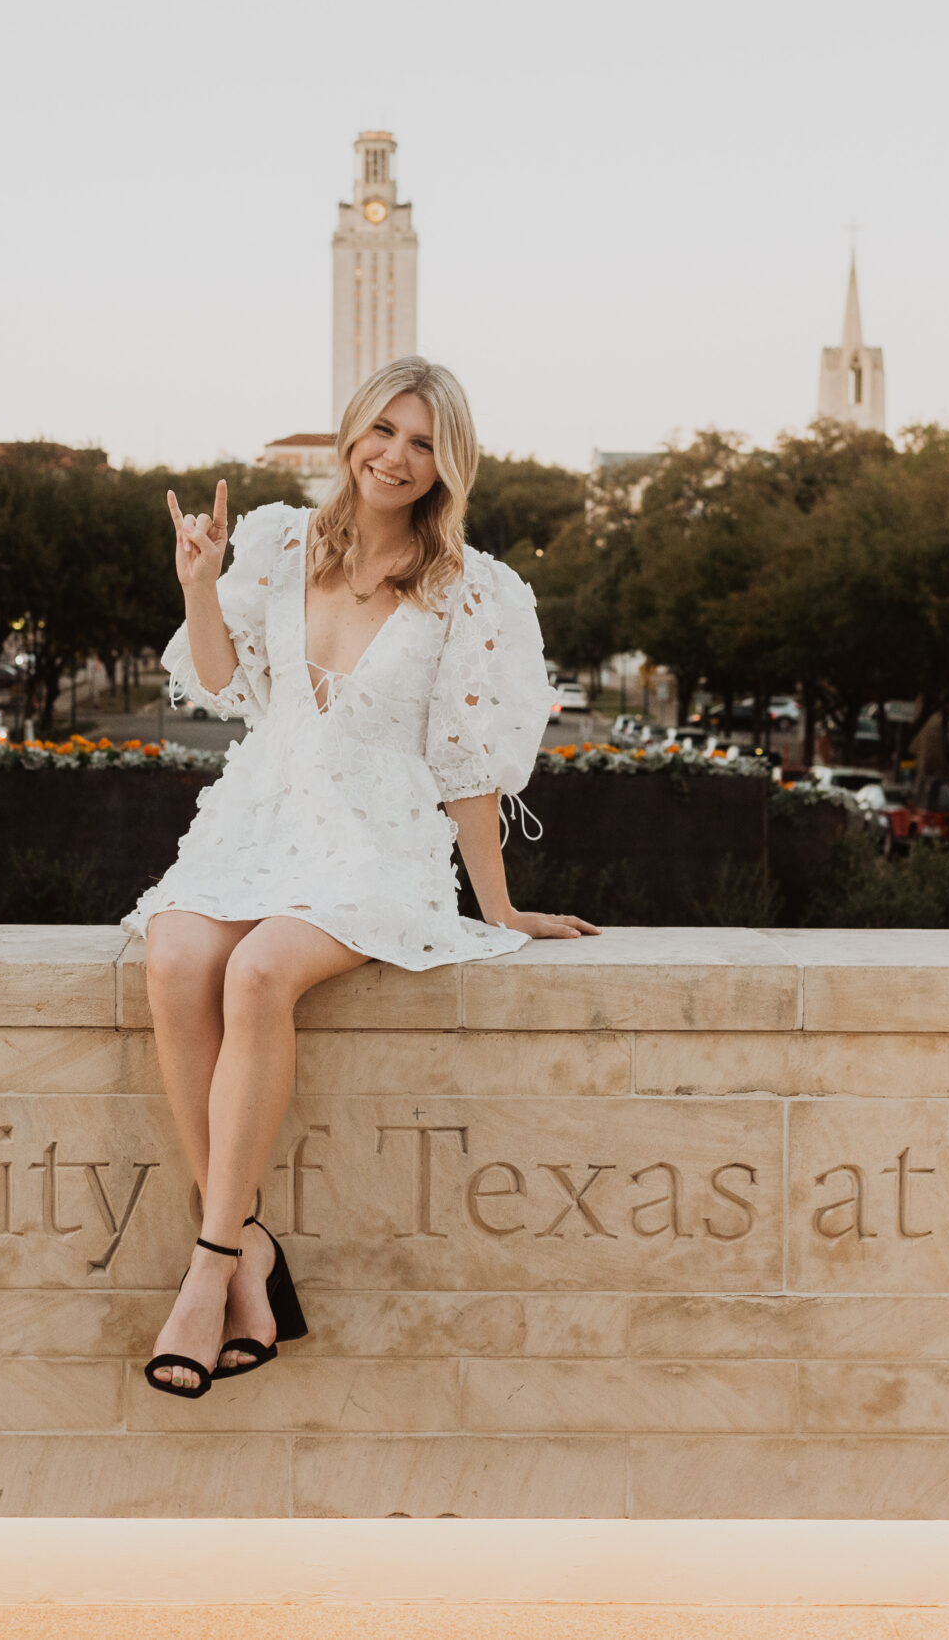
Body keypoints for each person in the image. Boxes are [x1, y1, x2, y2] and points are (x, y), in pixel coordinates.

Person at [123, 356, 597, 1399]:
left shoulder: (471, 589)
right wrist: (199, 587)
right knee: (174, 954)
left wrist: (499, 902)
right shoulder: (276, 543)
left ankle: (208, 1270)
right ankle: (250, 1248)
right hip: (258, 812)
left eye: (422, 442)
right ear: (351, 432)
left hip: (375, 836)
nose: (395, 455)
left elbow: (468, 763)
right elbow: (219, 679)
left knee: (255, 974)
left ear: (447, 465)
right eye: (383, 429)